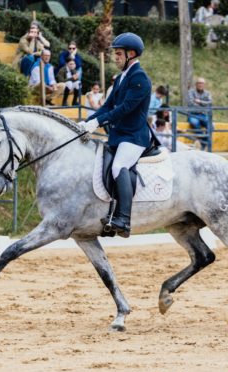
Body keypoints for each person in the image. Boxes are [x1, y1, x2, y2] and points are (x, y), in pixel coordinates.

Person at [78, 32, 153, 238]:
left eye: (119, 53)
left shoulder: (140, 78)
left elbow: (125, 108)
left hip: (134, 136)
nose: (116, 57)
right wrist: (89, 122)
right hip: (119, 135)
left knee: (119, 166)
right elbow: (109, 106)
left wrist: (98, 122)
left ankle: (123, 219)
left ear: (131, 54)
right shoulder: (121, 78)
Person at [187, 77, 213, 151]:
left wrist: (200, 101)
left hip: (203, 114)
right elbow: (191, 103)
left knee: (211, 125)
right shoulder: (191, 92)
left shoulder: (207, 93)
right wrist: (203, 105)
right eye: (199, 83)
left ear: (204, 85)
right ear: (196, 84)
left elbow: (210, 103)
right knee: (194, 122)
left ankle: (204, 141)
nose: (200, 85)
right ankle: (204, 139)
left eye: (202, 83)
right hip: (193, 114)